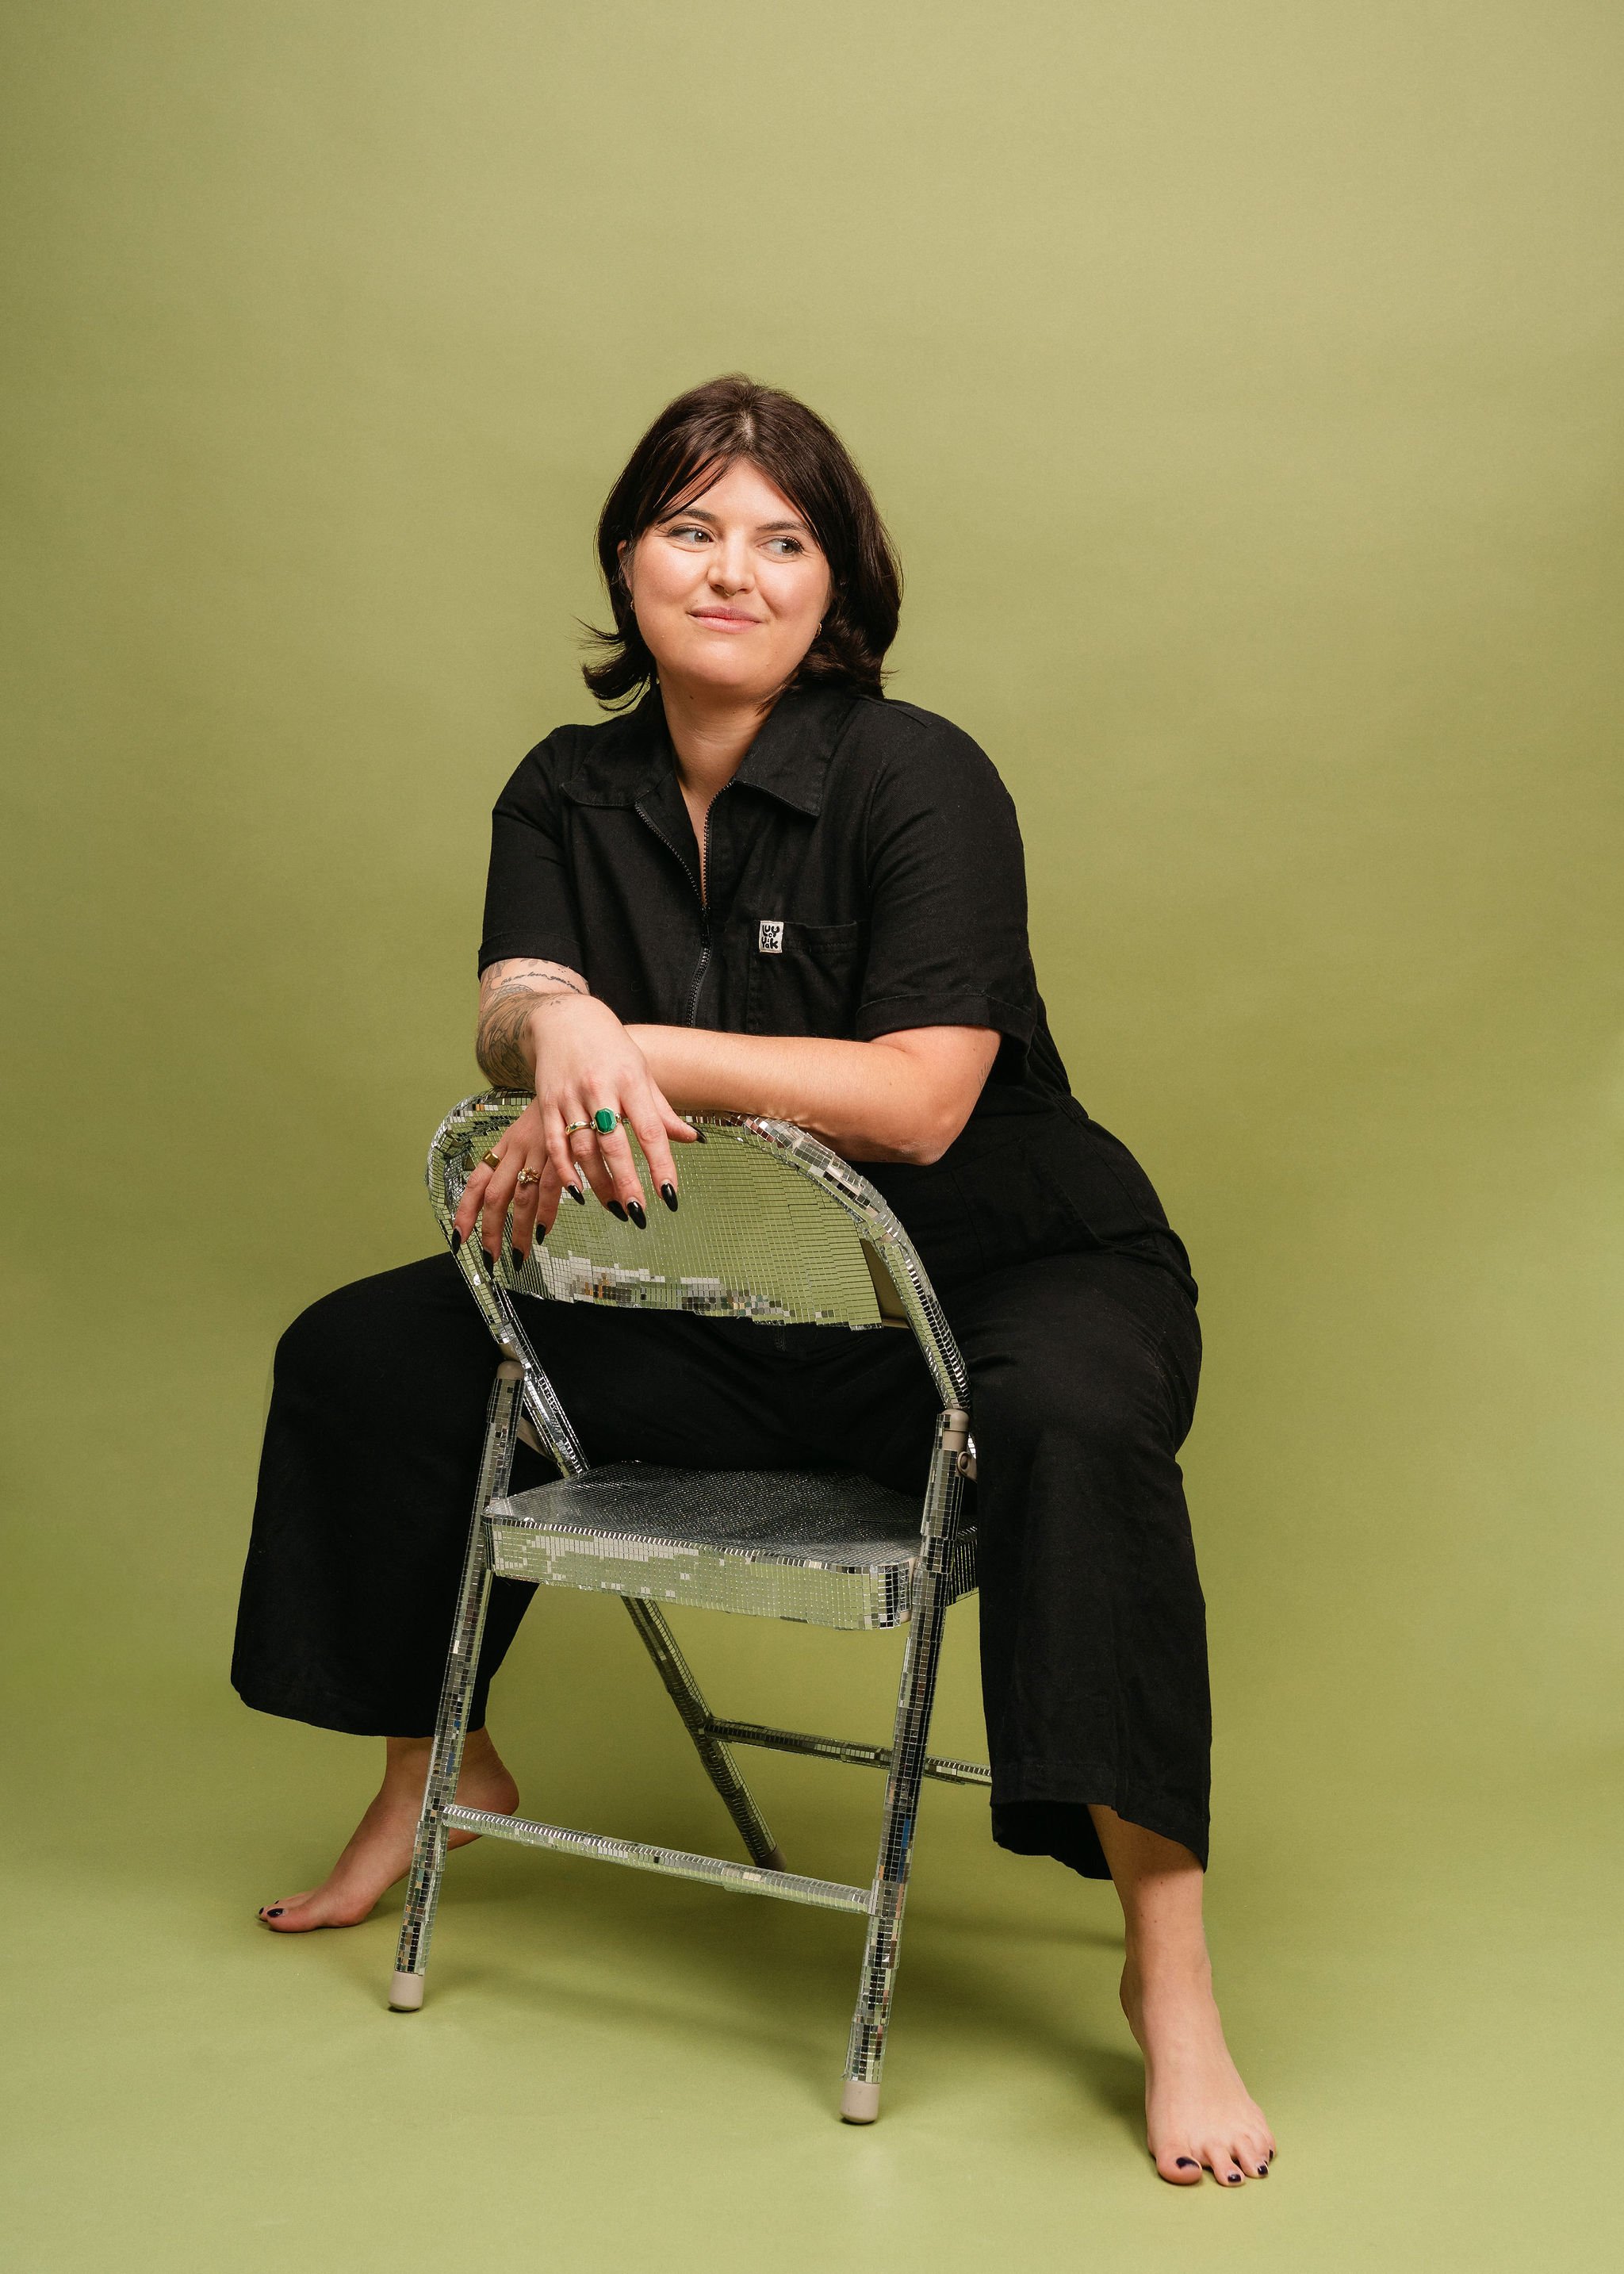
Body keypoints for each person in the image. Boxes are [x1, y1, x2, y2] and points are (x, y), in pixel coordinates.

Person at [232, 374, 1274, 2185]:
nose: (733, 571)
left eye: (782, 541)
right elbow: (511, 1005)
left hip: (1008, 1277)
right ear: (628, 563)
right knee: (370, 1353)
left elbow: (923, 1100)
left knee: (1076, 1428)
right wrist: (552, 1026)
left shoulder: (917, 772)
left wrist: (623, 1039)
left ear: (835, 582)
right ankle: (439, 1772)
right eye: (691, 529)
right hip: (732, 1298)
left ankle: (1167, 1971)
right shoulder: (564, 787)